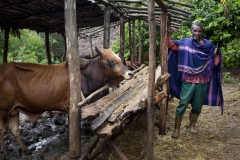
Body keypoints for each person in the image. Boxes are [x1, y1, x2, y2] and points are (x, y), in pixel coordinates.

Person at [167, 22, 224, 139]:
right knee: (183, 103)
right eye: (195, 31)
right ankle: (177, 129)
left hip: (203, 80)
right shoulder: (185, 43)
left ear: (202, 32)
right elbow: (171, 45)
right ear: (191, 31)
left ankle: (192, 125)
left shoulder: (208, 45)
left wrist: (215, 59)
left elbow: (215, 56)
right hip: (188, 80)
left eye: (199, 31)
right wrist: (167, 32)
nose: (197, 33)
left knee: (198, 105)